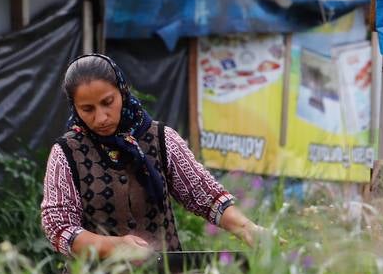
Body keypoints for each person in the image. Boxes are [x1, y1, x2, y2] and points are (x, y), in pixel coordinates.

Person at [40, 53, 263, 261]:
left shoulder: (161, 139)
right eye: (87, 109)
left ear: (122, 92)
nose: (101, 117)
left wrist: (247, 228)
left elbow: (204, 195)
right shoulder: (66, 153)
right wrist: (115, 247)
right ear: (75, 108)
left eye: (108, 102)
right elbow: (58, 227)